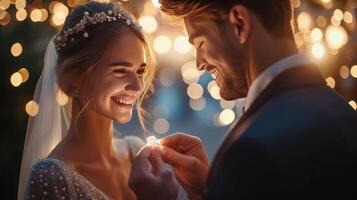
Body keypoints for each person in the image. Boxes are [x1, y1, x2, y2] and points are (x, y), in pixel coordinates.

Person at [129, 0, 357, 199]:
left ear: (239, 23)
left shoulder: (252, 151)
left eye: (200, 43)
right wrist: (205, 190)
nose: (200, 63)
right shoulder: (344, 113)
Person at [17, 2, 157, 199]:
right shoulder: (51, 177)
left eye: (140, 71)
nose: (137, 87)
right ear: (75, 75)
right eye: (119, 71)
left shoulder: (136, 153)